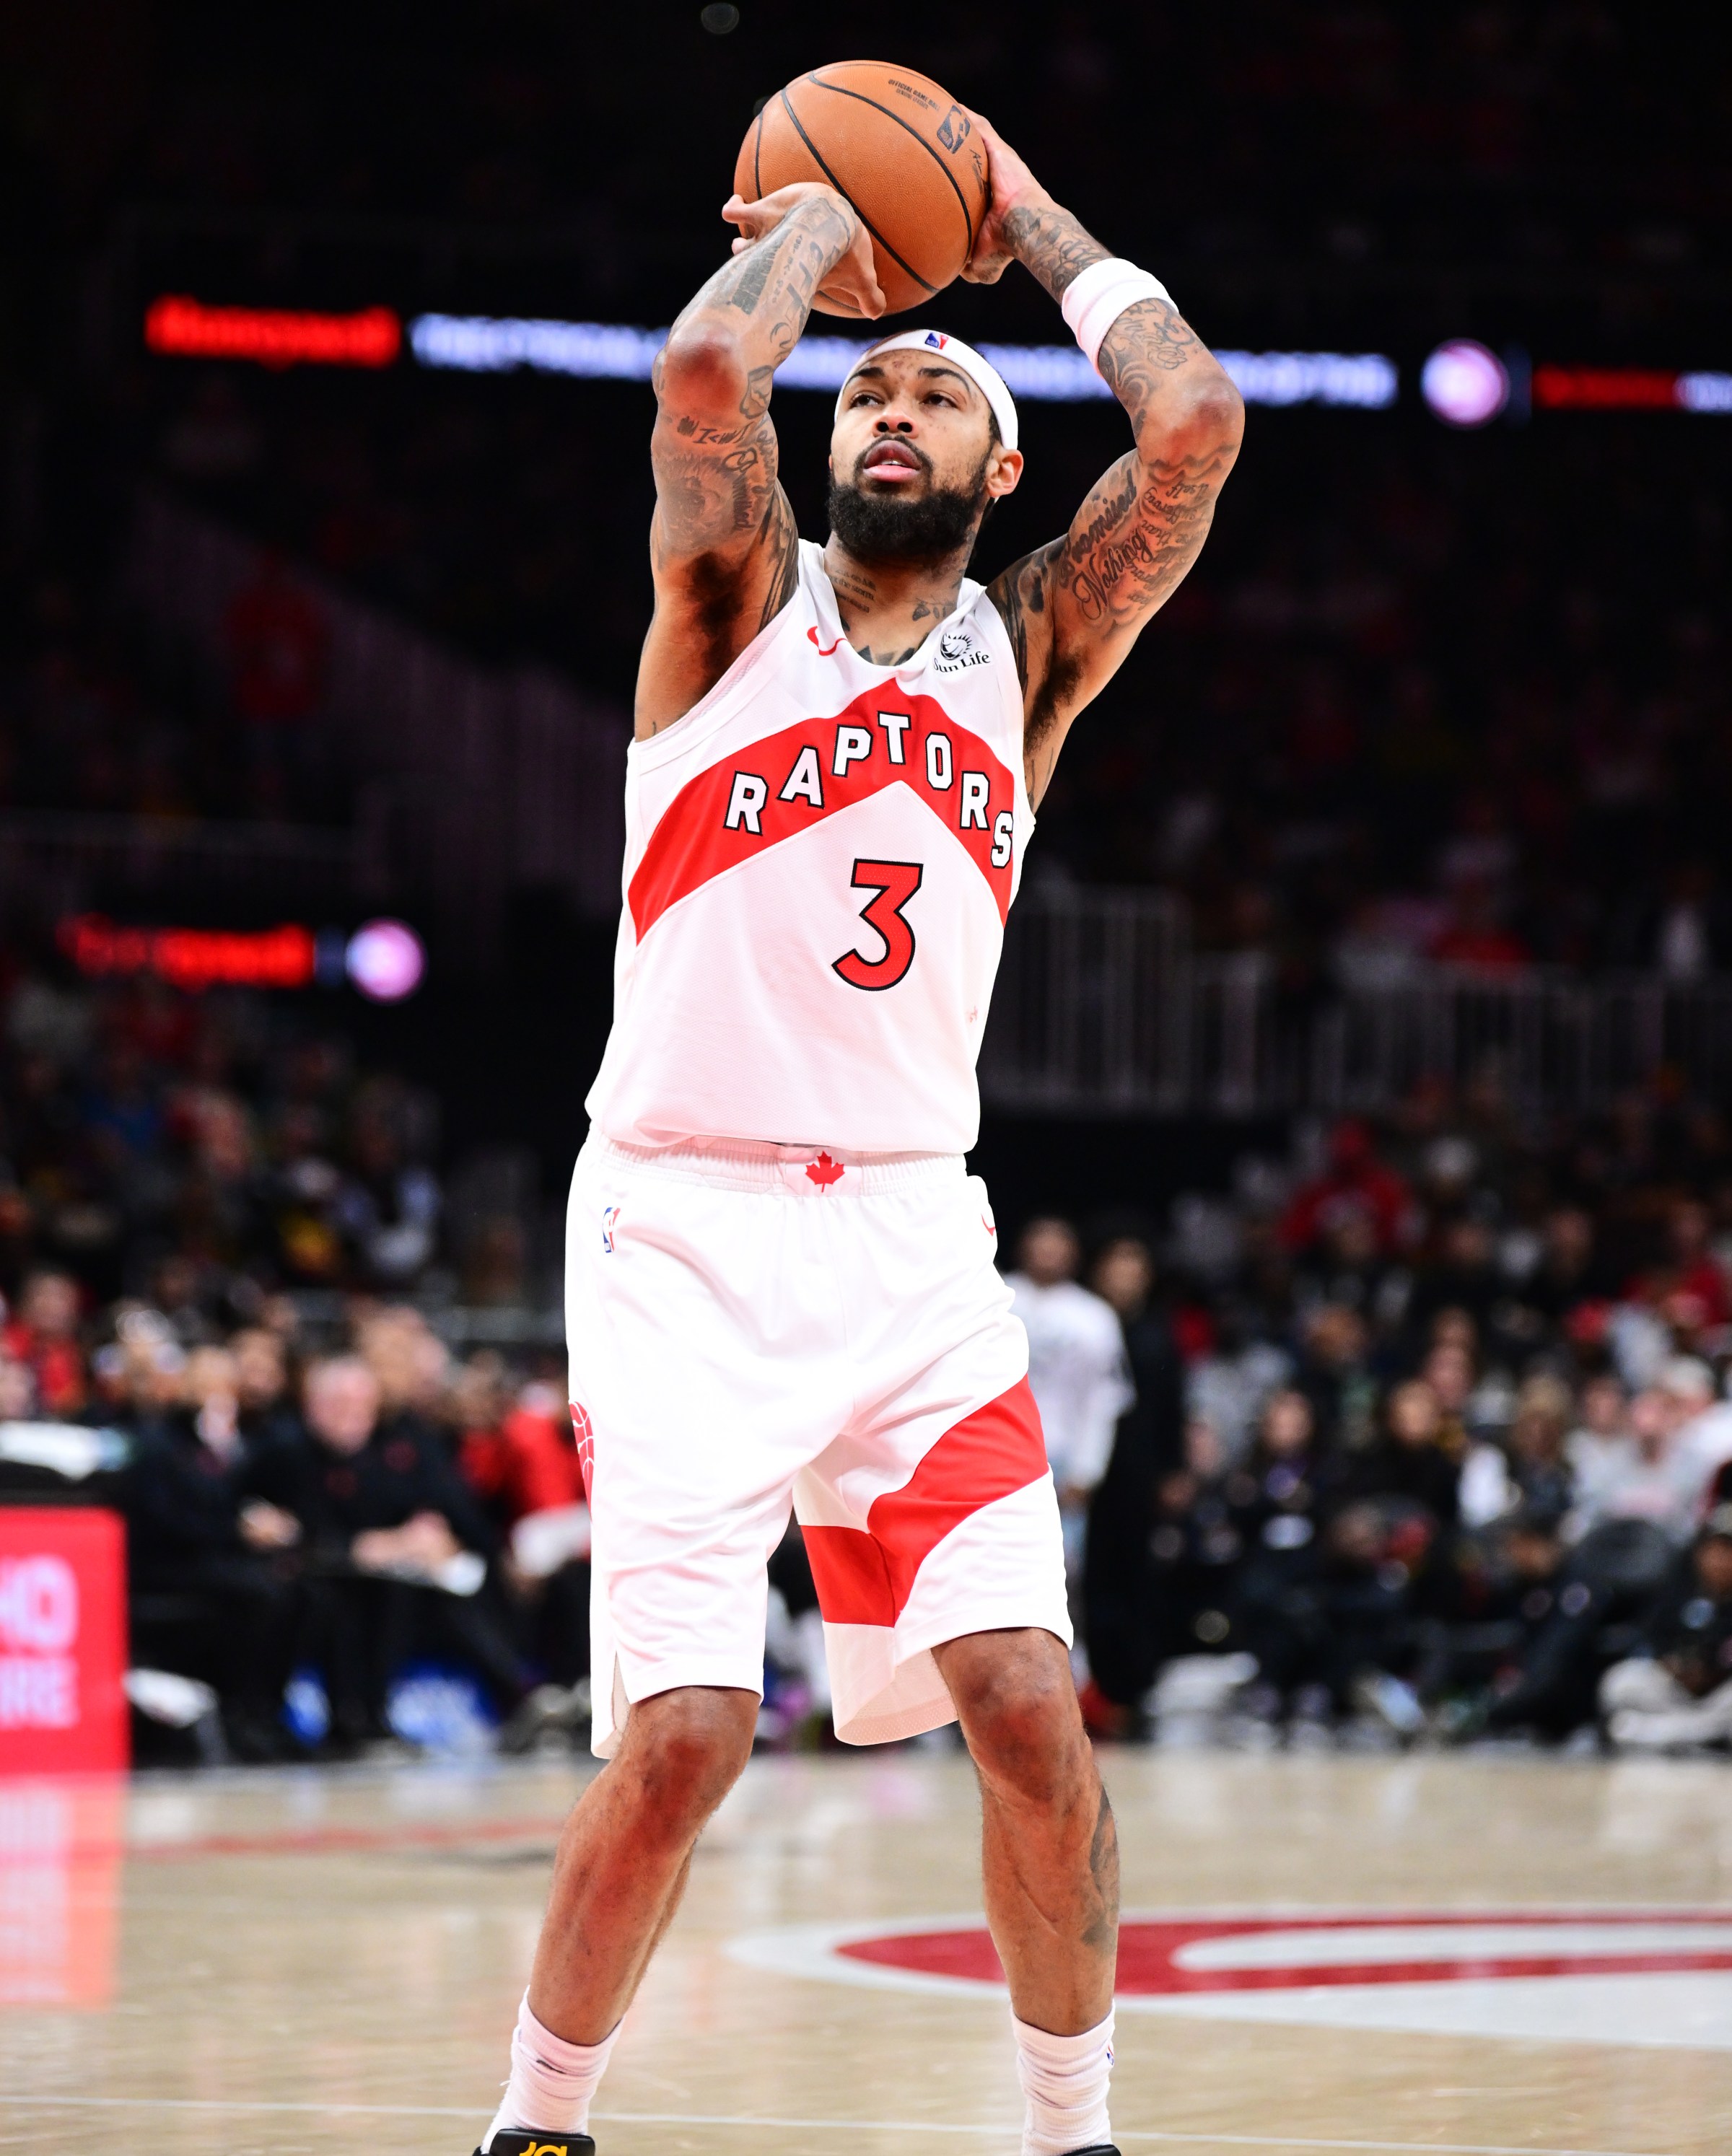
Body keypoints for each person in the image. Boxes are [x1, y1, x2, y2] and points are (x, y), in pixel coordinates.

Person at [473, 108, 1242, 2156]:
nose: (890, 405)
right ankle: (537, 2122)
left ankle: (1073, 2133)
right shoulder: (729, 598)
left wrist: (1017, 220)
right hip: (684, 1230)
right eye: (872, 391)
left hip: (910, 1241)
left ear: (1006, 471)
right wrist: (821, 220)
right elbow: (714, 375)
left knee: (1028, 1714)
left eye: (938, 390)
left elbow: (1196, 428)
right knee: (692, 1732)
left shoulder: (1038, 647)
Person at [1007, 1219, 1134, 1579]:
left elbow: (1104, 1400)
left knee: (1058, 1569)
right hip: (999, 1452)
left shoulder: (1095, 1316)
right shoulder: (995, 1298)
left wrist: (1088, 1469)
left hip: (1061, 1457)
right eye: (1040, 1239)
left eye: (1058, 1241)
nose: (1048, 1250)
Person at [1600, 1506, 1732, 1750]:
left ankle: (1664, 1734)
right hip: (1675, 1695)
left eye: (1729, 1552)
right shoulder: (1680, 1589)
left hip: (1721, 1696)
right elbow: (1652, 1638)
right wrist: (1673, 1665)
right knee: (1621, 1682)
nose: (1721, 1561)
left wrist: (1713, 1671)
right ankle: (1701, 1735)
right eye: (1714, 1550)